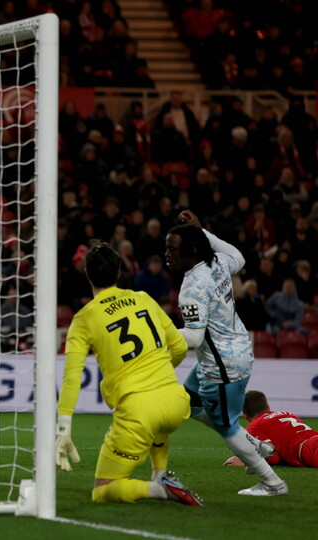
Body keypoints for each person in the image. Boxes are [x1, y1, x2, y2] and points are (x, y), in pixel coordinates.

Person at [56, 243, 201, 505]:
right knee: (158, 419)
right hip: (177, 403)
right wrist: (161, 371)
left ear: (87, 273)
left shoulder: (84, 318)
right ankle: (160, 474)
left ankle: (158, 490)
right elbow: (180, 346)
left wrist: (63, 428)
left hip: (139, 412)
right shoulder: (144, 299)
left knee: (101, 491)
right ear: (119, 272)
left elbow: (72, 377)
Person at [165, 211, 288, 496]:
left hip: (223, 364)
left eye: (172, 248)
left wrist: (158, 333)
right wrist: (202, 232)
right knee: (191, 402)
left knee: (226, 427)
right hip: (236, 347)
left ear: (191, 250)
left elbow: (194, 337)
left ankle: (272, 483)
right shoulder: (216, 261)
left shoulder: (192, 287)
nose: (167, 254)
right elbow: (240, 258)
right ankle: (258, 445)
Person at [224, 391, 318, 469]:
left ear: (244, 414)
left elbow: (273, 458)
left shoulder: (254, 426)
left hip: (309, 450)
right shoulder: (286, 413)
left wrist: (246, 461)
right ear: (268, 407)